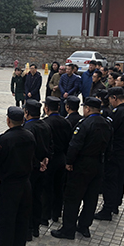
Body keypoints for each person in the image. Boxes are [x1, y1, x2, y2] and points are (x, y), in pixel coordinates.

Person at [51, 97, 112, 239]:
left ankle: (68, 229)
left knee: (73, 197)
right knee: (91, 198)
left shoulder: (84, 124)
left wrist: (69, 162)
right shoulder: (107, 124)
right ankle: (84, 226)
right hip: (98, 164)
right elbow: (110, 147)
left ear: (88, 109)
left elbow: (75, 145)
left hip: (82, 164)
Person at [0, 107, 36, 246]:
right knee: (22, 218)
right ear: (23, 120)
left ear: (8, 120)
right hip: (26, 183)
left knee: (6, 219)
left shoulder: (4, 139)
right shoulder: (30, 135)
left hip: (9, 185)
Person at [95, 87, 124, 220]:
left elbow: (110, 131)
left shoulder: (119, 112)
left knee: (111, 179)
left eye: (110, 99)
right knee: (119, 177)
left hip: (115, 151)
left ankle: (107, 209)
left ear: (115, 98)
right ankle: (115, 204)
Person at [23, 99, 52, 240]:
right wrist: (46, 159)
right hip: (43, 167)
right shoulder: (45, 125)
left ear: (27, 112)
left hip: (32, 168)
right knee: (38, 197)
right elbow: (50, 144)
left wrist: (37, 163)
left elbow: (28, 151)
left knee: (28, 199)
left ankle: (28, 229)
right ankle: (36, 227)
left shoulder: (28, 128)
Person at [42, 96, 73, 224]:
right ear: (59, 108)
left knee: (46, 187)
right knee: (59, 187)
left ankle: (45, 215)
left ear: (46, 108)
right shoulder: (66, 122)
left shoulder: (45, 123)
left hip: (49, 159)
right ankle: (56, 213)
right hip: (62, 158)